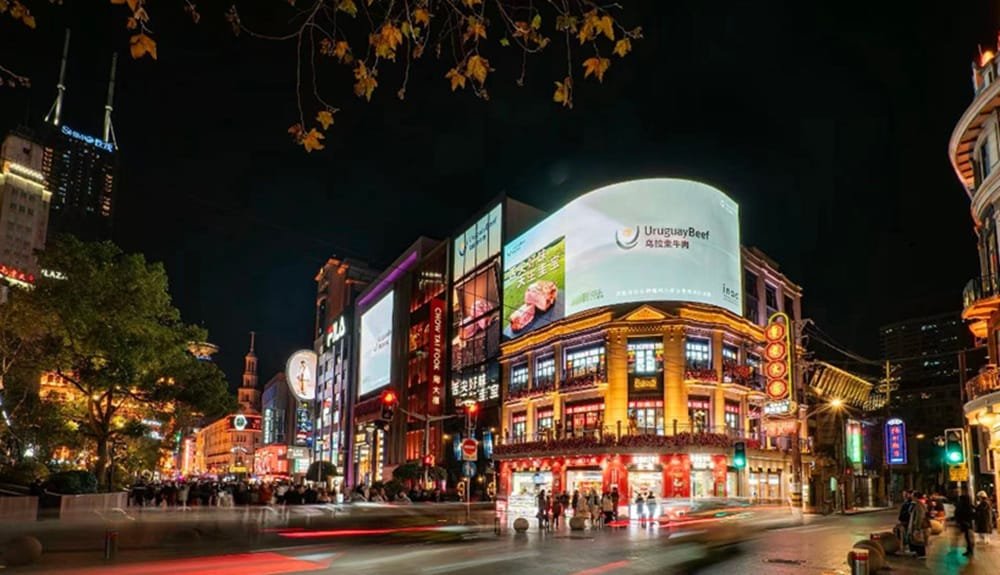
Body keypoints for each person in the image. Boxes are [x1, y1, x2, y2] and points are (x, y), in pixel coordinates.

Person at [907, 491, 930, 559]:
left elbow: (919, 516)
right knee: (915, 539)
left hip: (917, 525)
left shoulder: (918, 504)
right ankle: (916, 552)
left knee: (918, 539)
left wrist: (917, 527)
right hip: (915, 524)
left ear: (915, 497)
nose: (911, 496)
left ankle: (921, 554)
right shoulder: (916, 503)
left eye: (912, 495)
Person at [955, 488, 975, 557]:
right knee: (968, 537)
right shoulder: (968, 505)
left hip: (966, 523)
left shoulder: (964, 505)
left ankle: (970, 550)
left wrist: (961, 521)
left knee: (968, 537)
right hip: (967, 523)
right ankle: (970, 550)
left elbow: (960, 513)